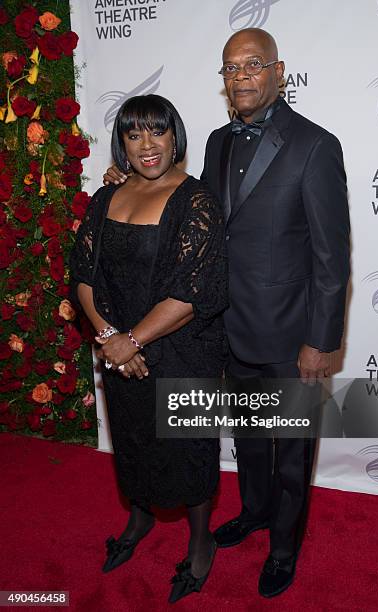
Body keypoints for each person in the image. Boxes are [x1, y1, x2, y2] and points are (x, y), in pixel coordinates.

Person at [103, 28, 350, 599]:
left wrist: (322, 339)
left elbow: (332, 256)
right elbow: (185, 203)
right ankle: (255, 512)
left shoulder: (316, 145)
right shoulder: (215, 142)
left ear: (278, 71)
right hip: (223, 327)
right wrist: (123, 176)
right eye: (229, 68)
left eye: (252, 64)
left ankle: (284, 548)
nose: (239, 76)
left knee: (291, 450)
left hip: (290, 333)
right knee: (247, 436)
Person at [70, 94, 228, 604]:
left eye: (156, 132)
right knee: (134, 441)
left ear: (174, 136)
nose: (147, 145)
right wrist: (110, 338)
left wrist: (131, 339)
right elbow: (83, 278)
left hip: (184, 353)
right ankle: (139, 520)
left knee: (190, 452)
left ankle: (201, 541)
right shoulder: (105, 198)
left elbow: (192, 293)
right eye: (134, 135)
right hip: (122, 354)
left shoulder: (197, 200)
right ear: (122, 144)